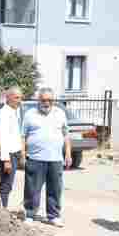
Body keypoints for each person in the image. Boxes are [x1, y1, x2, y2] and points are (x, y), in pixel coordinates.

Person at [21, 87, 71, 226]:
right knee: (32, 188)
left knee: (55, 189)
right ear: (39, 100)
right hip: (35, 158)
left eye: (50, 100)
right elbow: (23, 136)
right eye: (44, 100)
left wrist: (68, 153)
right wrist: (23, 155)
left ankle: (53, 216)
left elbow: (66, 134)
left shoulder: (60, 113)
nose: (47, 103)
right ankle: (30, 214)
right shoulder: (30, 114)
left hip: (55, 159)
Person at [0, 87, 25, 209]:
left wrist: (21, 154)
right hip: (8, 155)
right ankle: (2, 211)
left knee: (8, 184)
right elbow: (3, 138)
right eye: (16, 98)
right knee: (6, 184)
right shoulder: (3, 114)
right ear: (8, 98)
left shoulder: (13, 112)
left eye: (21, 98)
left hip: (15, 153)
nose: (19, 101)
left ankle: (1, 209)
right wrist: (6, 160)